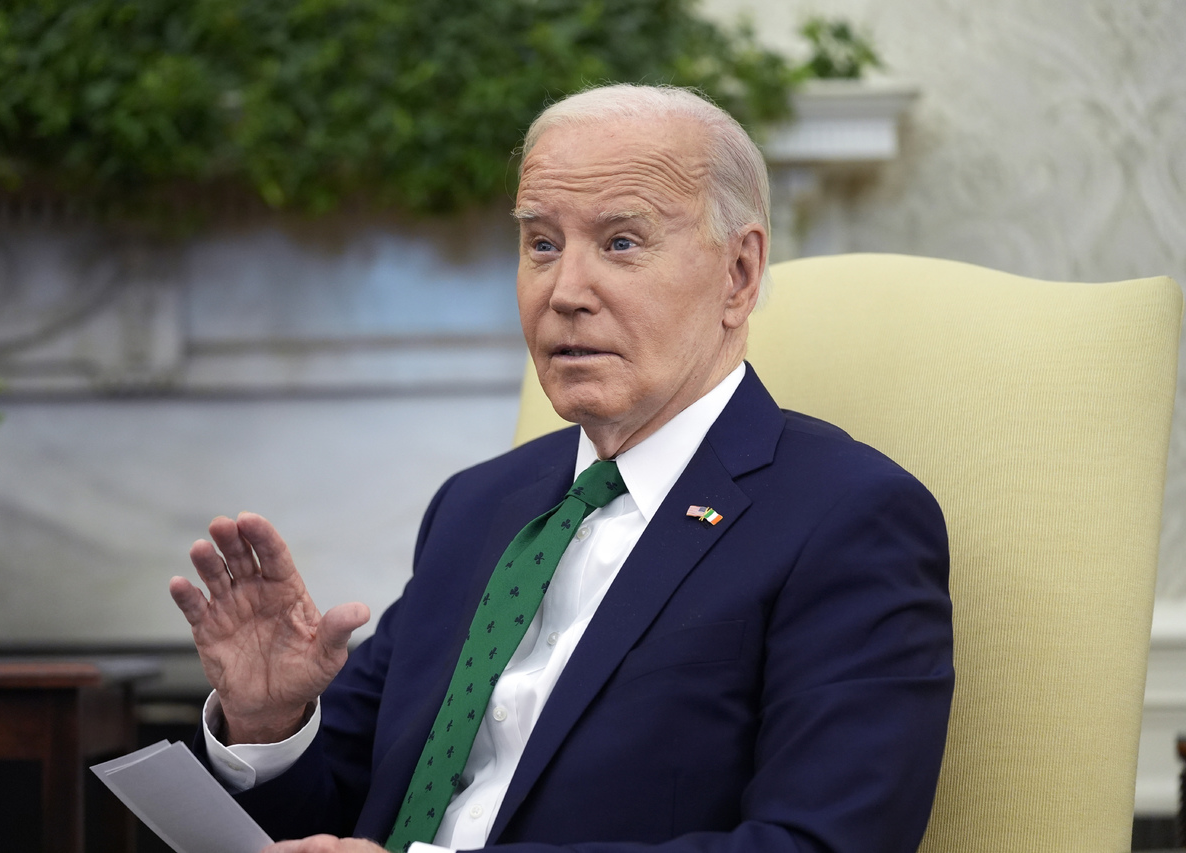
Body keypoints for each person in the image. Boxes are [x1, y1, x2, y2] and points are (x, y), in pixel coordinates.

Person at [170, 83, 954, 853]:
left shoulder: (847, 517)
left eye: (621, 242)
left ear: (738, 274)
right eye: (542, 244)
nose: (566, 292)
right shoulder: (477, 505)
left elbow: (821, 841)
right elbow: (342, 811)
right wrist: (268, 722)